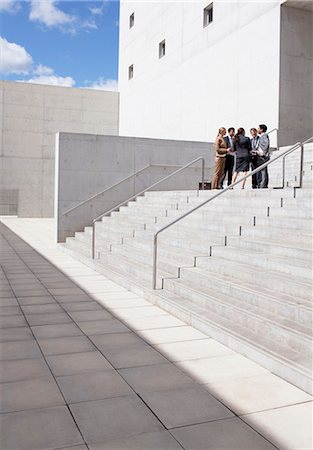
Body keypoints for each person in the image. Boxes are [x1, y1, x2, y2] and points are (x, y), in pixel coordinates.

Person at [257, 124, 270, 188]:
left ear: (261, 129)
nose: (257, 130)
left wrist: (263, 152)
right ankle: (263, 183)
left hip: (262, 156)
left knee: (263, 170)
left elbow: (266, 144)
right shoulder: (262, 136)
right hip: (261, 155)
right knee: (262, 170)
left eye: (258, 128)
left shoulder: (264, 136)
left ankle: (263, 184)